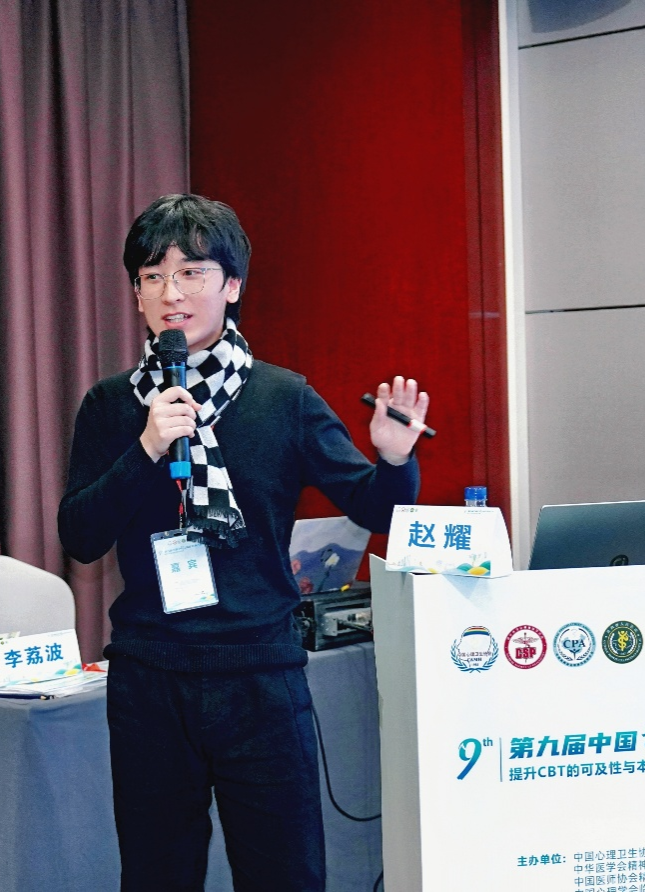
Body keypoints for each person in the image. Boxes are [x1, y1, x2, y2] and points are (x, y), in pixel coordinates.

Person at [59, 193, 430, 891]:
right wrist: (146, 447)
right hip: (150, 680)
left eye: (191, 273)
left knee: (284, 873)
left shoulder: (282, 398)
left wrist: (392, 457)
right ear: (136, 294)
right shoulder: (113, 406)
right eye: (151, 276)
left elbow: (375, 506)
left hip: (259, 677)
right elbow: (80, 536)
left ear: (232, 285)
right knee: (156, 875)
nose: (171, 294)